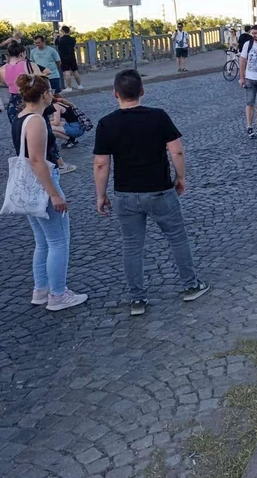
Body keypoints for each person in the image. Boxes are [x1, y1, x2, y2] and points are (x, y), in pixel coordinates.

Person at [93, 69, 210, 316]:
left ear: (115, 93)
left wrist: (100, 194)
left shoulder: (106, 123)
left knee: (132, 246)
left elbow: (101, 163)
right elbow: (176, 151)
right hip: (159, 189)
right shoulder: (158, 117)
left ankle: (138, 300)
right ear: (142, 92)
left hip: (125, 193)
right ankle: (191, 285)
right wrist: (181, 177)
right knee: (177, 237)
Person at [10, 74, 88, 311]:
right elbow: (37, 160)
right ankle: (58, 294)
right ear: (45, 95)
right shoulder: (36, 121)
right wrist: (54, 194)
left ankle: (41, 289)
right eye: (51, 92)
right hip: (42, 184)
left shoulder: (20, 117)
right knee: (58, 241)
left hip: (29, 187)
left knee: (42, 242)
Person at [1, 42, 44, 124]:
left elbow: (4, 83)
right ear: (22, 53)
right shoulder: (30, 65)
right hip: (31, 99)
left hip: (13, 101)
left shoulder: (2, 70)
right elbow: (41, 82)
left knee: (18, 129)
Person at [57, 26, 83, 93]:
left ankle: (69, 87)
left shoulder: (61, 39)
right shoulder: (72, 39)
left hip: (63, 57)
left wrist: (55, 37)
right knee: (75, 71)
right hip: (72, 56)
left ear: (63, 31)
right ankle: (80, 85)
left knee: (67, 72)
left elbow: (56, 44)